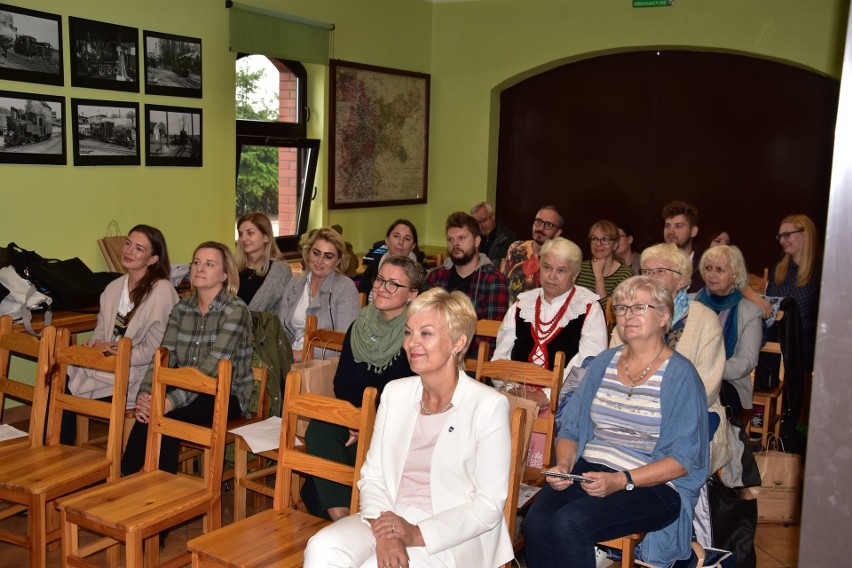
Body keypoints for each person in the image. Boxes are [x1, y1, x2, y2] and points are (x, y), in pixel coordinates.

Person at [303, 289, 514, 568]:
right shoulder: (396, 393)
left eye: (425, 333)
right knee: (322, 547)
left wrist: (415, 533)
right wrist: (388, 530)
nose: (411, 343)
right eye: (408, 332)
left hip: (452, 532)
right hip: (388, 514)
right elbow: (373, 474)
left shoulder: (488, 405)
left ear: (458, 342)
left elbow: (488, 505)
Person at [523, 276, 709, 568]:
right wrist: (564, 466)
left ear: (664, 317)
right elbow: (571, 428)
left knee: (569, 524)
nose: (627, 315)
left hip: (653, 484)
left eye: (638, 307)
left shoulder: (681, 375)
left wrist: (621, 481)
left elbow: (682, 461)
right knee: (535, 522)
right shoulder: (603, 362)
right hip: (591, 470)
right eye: (621, 308)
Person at [303, 256, 425, 521]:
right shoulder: (361, 324)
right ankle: (344, 517)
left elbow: (411, 394)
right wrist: (354, 419)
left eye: (394, 284)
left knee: (317, 489)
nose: (382, 288)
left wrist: (368, 423)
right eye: (380, 280)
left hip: (395, 428)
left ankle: (346, 511)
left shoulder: (416, 335)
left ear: (412, 294)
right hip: (356, 419)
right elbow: (342, 382)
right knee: (319, 428)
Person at [121, 242, 253, 475]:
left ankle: (150, 484)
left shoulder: (235, 310)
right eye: (196, 262)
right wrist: (147, 393)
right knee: (153, 409)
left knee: (166, 413)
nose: (199, 268)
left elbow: (210, 370)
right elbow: (164, 356)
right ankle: (131, 478)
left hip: (226, 393)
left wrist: (169, 400)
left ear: (224, 275)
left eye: (209, 264)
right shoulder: (182, 308)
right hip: (185, 385)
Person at [611, 243, 729, 474]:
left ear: (682, 280)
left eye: (660, 271)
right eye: (646, 271)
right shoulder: (629, 317)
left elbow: (707, 388)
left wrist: (656, 417)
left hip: (688, 419)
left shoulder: (704, 320)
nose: (651, 278)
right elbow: (612, 373)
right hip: (628, 414)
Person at [492, 237, 608, 467]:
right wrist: (510, 388)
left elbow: (586, 366)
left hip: (564, 403)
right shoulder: (521, 304)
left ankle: (537, 482)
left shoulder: (588, 308)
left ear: (574, 275)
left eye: (561, 270)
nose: (552, 276)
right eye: (547, 267)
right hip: (516, 394)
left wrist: (545, 395)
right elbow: (500, 357)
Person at [62, 225, 179, 445]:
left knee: (65, 389)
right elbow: (100, 329)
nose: (129, 251)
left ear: (153, 259)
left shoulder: (162, 291)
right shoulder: (113, 287)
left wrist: (117, 356)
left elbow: (156, 351)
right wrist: (97, 345)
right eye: (128, 243)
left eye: (139, 248)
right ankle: (57, 450)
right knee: (57, 377)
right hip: (109, 365)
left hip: (139, 375)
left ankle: (63, 452)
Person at [695, 246, 762, 424]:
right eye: (708, 268)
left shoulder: (750, 312)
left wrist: (708, 370)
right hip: (688, 378)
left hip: (729, 384)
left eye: (719, 270)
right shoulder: (690, 302)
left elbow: (746, 362)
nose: (712, 275)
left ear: (735, 274)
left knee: (696, 397)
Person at [426, 211, 508, 356]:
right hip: (434, 353)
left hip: (473, 360)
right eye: (450, 239)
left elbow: (491, 336)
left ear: (477, 241)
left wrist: (452, 349)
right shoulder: (435, 277)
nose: (455, 244)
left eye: (461, 238)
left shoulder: (493, 280)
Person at [279, 227, 360, 362]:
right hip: (290, 359)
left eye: (328, 256)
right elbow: (281, 330)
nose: (320, 261)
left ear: (338, 261)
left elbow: (344, 342)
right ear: (308, 253)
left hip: (324, 365)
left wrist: (300, 354)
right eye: (316, 253)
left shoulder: (345, 288)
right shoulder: (295, 282)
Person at [767, 214, 821, 368]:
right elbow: (770, 306)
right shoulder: (778, 270)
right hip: (776, 343)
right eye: (780, 236)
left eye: (787, 235)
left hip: (805, 347)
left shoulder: (821, 272)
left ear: (805, 235)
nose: (782, 241)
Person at [235, 211, 292, 314]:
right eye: (240, 234)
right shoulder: (233, 267)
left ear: (266, 237)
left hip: (264, 328)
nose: (243, 239)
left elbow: (284, 312)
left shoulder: (280, 271)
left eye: (250, 233)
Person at [504, 205, 564, 304]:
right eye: (538, 221)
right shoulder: (516, 248)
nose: (540, 228)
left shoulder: (561, 258)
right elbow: (504, 285)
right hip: (512, 314)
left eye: (548, 225)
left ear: (558, 232)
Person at [575, 220, 635, 308]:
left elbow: (608, 312)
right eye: (594, 239)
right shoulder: (579, 268)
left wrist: (599, 276)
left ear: (615, 245)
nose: (598, 244)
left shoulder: (626, 274)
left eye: (605, 239)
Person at [358, 219, 420, 297]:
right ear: (387, 240)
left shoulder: (419, 273)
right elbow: (362, 298)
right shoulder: (374, 267)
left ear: (413, 246)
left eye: (407, 239)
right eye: (396, 236)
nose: (401, 242)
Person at [662, 200, 703, 292]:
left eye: (678, 226)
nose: (671, 232)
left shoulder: (705, 264)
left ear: (693, 231)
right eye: (668, 226)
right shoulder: (654, 262)